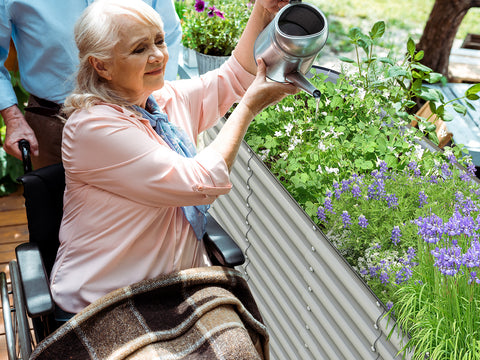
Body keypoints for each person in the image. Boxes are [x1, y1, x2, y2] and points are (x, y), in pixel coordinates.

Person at [49, 0, 297, 317]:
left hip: (174, 289)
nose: (158, 55)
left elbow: (235, 77)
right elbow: (199, 183)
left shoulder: (161, 100)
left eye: (159, 40)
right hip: (107, 301)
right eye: (139, 49)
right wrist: (248, 108)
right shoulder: (92, 129)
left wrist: (263, 10)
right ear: (102, 66)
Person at [0, 0, 182, 169]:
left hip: (140, 118)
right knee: (59, 202)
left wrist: (156, 99)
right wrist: (12, 117)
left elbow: (170, 33)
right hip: (53, 125)